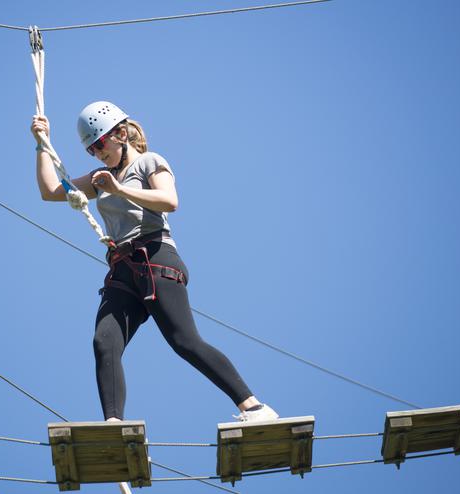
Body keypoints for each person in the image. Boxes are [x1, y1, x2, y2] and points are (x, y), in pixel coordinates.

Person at [31, 101, 278, 424]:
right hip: (122, 269)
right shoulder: (100, 177)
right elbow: (50, 191)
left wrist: (119, 189)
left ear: (120, 134)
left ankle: (256, 408)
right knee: (104, 342)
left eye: (100, 144)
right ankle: (113, 425)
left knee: (184, 341)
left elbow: (169, 201)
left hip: (155, 258)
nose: (97, 154)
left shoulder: (149, 162)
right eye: (91, 150)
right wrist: (41, 144)